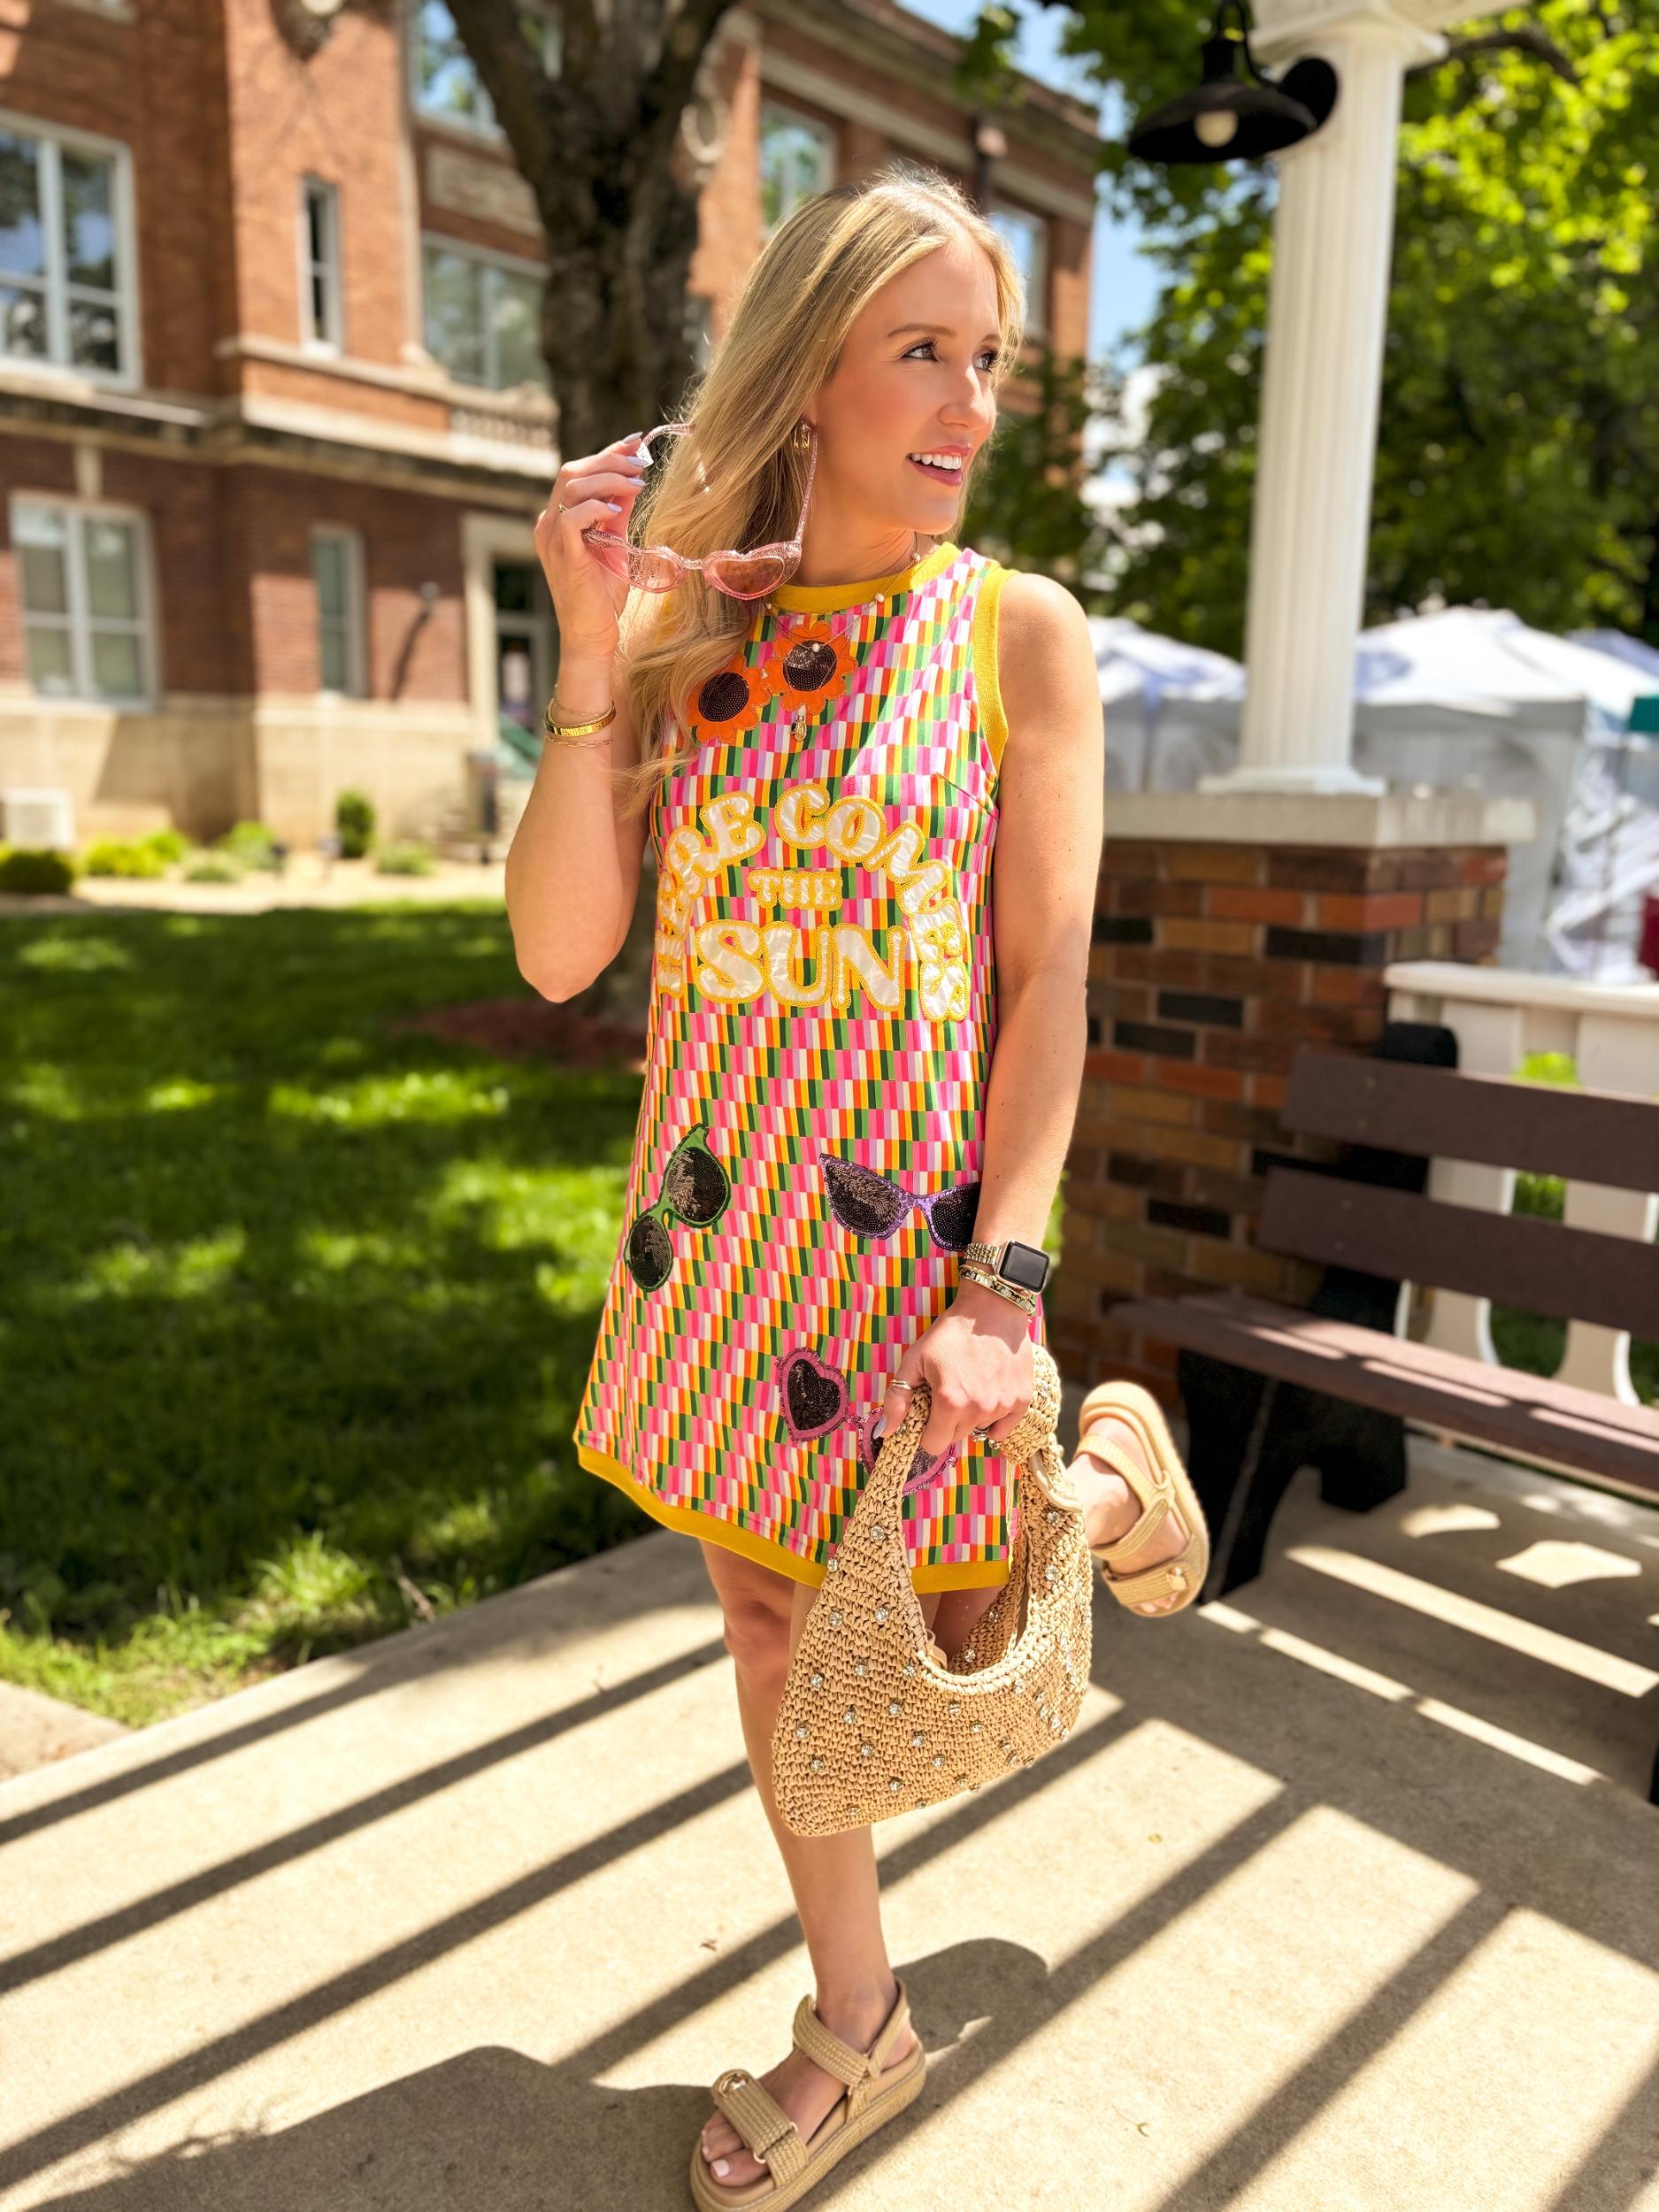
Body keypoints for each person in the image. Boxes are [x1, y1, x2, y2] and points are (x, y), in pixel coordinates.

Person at [509, 165, 1203, 2209]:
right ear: (810, 370)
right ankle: (860, 2022)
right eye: (922, 352)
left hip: (914, 1249)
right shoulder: (683, 634)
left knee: (944, 1613)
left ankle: (1099, 1491)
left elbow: (1046, 976)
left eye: (984, 359)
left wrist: (1007, 1283)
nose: (968, 403)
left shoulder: (1014, 633)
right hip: (719, 1243)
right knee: (775, 1618)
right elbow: (556, 951)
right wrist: (587, 643)